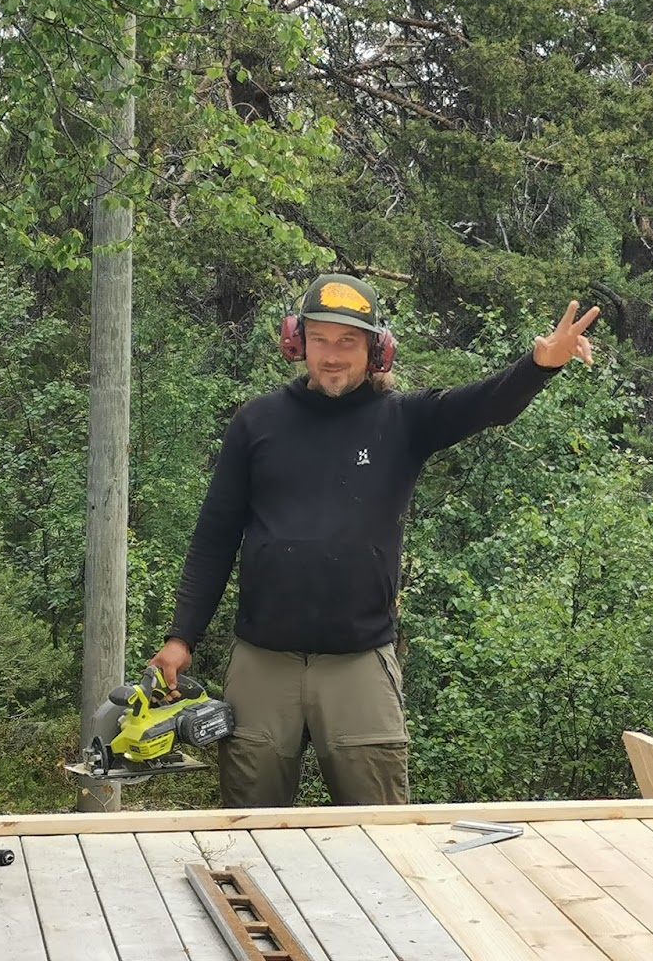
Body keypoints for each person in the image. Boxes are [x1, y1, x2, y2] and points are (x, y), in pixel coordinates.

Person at [147, 273, 599, 807]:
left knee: (380, 833)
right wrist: (182, 636)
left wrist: (540, 364)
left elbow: (486, 405)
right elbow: (214, 536)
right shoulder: (257, 422)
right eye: (320, 339)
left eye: (348, 341)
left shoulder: (404, 419)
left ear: (376, 349)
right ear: (297, 341)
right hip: (262, 662)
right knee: (250, 827)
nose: (332, 355)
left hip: (360, 663)